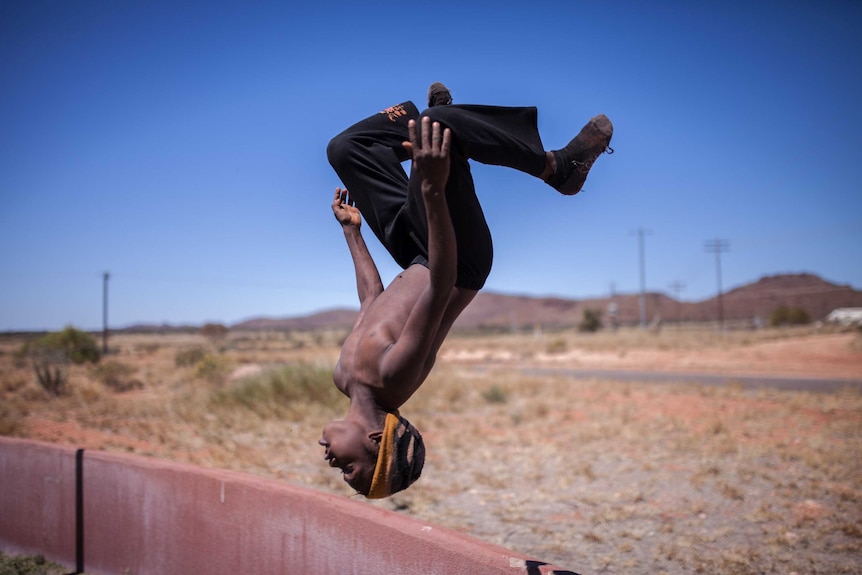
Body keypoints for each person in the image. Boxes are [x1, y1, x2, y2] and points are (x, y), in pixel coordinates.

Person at [319, 83, 613, 498]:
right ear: (375, 442)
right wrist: (432, 190)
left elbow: (371, 300)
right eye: (350, 470)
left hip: (416, 253)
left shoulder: (344, 378)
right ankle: (556, 168)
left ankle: (448, 128)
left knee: (347, 148)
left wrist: (353, 233)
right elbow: (439, 286)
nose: (333, 465)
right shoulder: (393, 379)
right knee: (439, 129)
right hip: (457, 263)